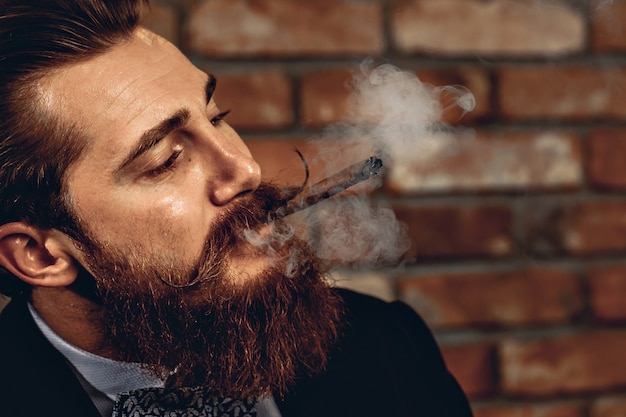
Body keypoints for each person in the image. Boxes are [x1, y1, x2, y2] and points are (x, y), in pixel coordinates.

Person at [0, 1, 474, 416]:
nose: (245, 169)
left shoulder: (386, 346)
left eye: (216, 118)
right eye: (166, 160)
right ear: (39, 255)